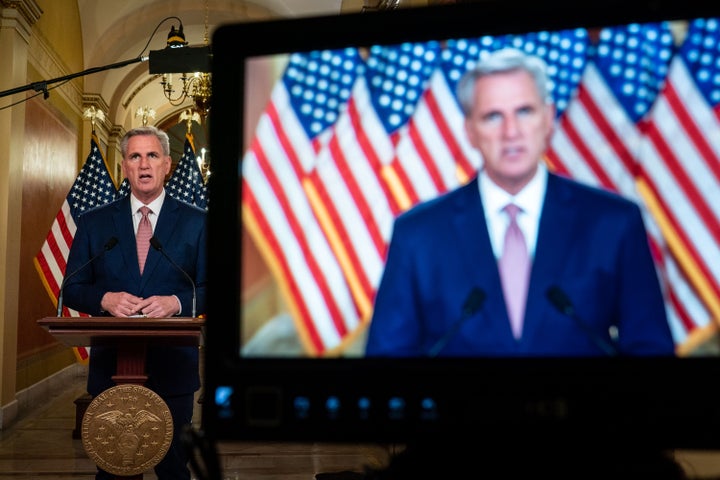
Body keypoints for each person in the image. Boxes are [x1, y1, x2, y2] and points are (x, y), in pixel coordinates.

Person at [364, 48, 675, 357]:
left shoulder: (614, 223)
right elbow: (387, 356)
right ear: (470, 132)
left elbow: (649, 347)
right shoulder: (418, 234)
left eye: (524, 111)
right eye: (493, 116)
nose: (511, 132)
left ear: (548, 118)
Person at [63, 125, 207, 479]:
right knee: (115, 468)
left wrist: (176, 301)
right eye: (135, 156)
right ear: (125, 166)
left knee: (174, 469)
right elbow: (72, 287)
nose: (144, 164)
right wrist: (105, 298)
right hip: (111, 370)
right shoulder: (95, 222)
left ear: (167, 164)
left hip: (173, 369)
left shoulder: (198, 222)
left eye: (153, 155)